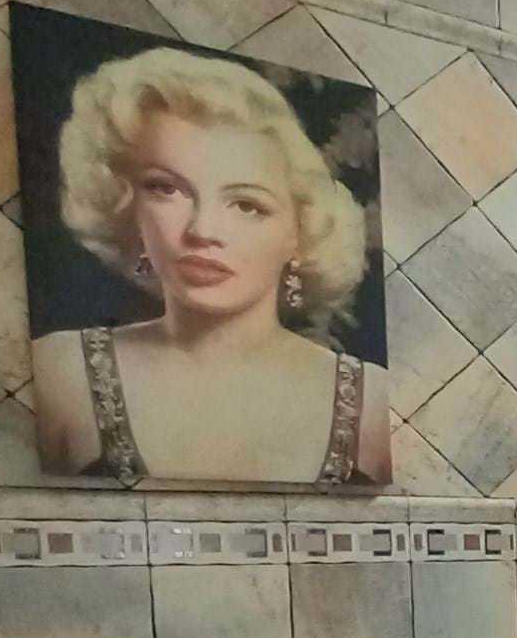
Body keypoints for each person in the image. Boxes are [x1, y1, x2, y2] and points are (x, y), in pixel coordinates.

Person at [30, 47, 386, 485]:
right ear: (127, 207)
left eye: (247, 205)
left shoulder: (369, 401)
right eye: (166, 189)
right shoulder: (61, 373)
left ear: (299, 233)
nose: (202, 230)